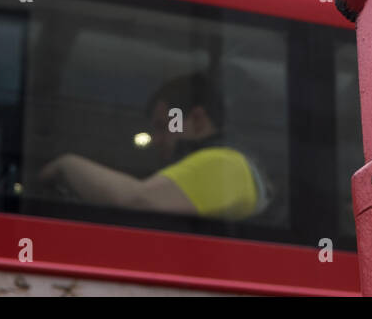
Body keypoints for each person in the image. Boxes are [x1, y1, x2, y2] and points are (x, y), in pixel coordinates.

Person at [37, 72, 270, 221]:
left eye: (163, 126)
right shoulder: (231, 165)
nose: (157, 140)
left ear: (198, 120)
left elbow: (138, 200)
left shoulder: (223, 164)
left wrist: (64, 164)